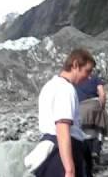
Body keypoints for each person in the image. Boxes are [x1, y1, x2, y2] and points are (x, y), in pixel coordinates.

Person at [35, 49, 96, 177]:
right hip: (63, 151)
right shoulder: (65, 89)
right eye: (87, 71)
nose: (89, 76)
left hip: (50, 149)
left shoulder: (50, 86)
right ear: (75, 65)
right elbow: (62, 127)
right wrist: (69, 169)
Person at [75, 73, 108, 164]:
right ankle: (96, 150)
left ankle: (85, 156)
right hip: (94, 104)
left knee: (82, 132)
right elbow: (102, 93)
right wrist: (101, 107)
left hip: (80, 107)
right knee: (101, 128)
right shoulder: (95, 78)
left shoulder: (75, 79)